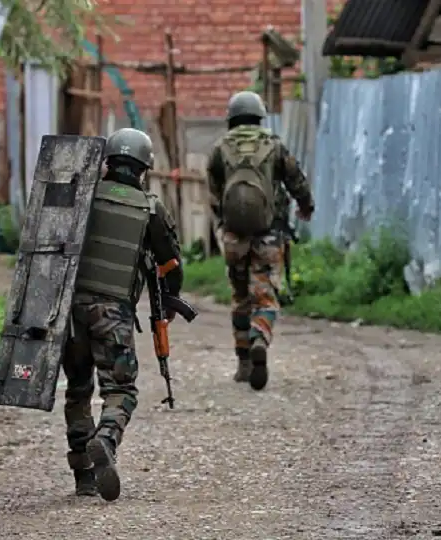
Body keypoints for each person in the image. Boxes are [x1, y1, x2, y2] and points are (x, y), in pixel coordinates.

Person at [63, 128, 183, 502]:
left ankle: (83, 475)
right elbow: (171, 264)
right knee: (120, 390)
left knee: (78, 389)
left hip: (68, 312)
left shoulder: (82, 196)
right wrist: (170, 297)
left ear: (107, 162)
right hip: (113, 312)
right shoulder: (149, 207)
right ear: (144, 168)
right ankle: (106, 438)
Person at [207, 91, 314, 391]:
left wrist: (224, 226)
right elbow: (296, 180)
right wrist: (306, 206)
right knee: (265, 297)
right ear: (259, 115)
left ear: (232, 118)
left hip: (234, 238)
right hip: (268, 234)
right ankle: (259, 338)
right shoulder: (273, 145)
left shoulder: (219, 149)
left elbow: (214, 195)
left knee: (240, 297)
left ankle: (243, 364)